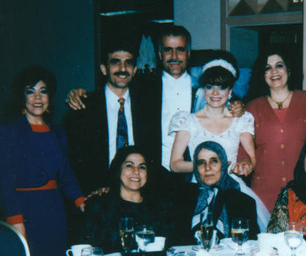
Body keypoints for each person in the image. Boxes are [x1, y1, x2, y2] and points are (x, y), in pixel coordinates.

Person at [66, 25, 245, 171]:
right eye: (168, 50)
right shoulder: (142, 87)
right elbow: (114, 88)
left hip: (195, 174)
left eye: (180, 50)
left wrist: (238, 105)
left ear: (189, 54)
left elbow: (228, 102)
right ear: (160, 55)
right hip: (154, 175)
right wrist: (80, 93)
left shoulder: (203, 88)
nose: (174, 57)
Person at [169, 56, 270, 229]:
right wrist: (207, 165)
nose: (215, 93)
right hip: (197, 189)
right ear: (203, 90)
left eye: (222, 87)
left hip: (231, 188)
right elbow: (175, 164)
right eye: (210, 87)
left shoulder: (242, 120)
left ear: (230, 91)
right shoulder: (187, 120)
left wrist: (244, 164)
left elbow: (251, 160)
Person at [0, 66, 84, 256]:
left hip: (54, 210)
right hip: (25, 210)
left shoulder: (58, 132)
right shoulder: (8, 130)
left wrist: (81, 201)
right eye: (31, 91)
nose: (37, 97)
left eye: (43, 91)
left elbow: (66, 175)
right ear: (22, 96)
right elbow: (4, 180)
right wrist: (15, 219)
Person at [65, 38, 160, 195]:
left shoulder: (147, 107)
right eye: (116, 62)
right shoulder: (84, 106)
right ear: (104, 69)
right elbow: (75, 159)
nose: (122, 68)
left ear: (135, 69)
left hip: (139, 191)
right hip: (97, 192)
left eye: (128, 63)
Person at [241, 47, 306, 212]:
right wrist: (244, 161)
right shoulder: (251, 108)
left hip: (304, 188)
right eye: (267, 68)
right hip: (264, 192)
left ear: (289, 69)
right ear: (262, 74)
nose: (274, 72)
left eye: (279, 65)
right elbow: (242, 147)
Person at [81, 146, 175, 254]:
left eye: (142, 167)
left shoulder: (160, 207)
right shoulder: (100, 206)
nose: (136, 171)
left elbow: (168, 247)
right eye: (129, 166)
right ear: (118, 169)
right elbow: (87, 249)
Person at [173, 141, 259, 245]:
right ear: (196, 168)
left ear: (223, 164)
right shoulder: (182, 199)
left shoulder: (244, 202)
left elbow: (250, 245)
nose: (207, 168)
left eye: (213, 161)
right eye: (201, 163)